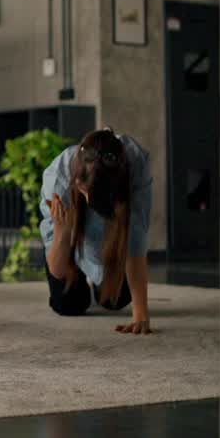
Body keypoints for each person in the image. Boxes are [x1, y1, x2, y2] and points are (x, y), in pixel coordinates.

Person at [38, 127, 154, 333]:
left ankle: (101, 283)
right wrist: (62, 231)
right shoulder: (59, 180)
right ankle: (80, 285)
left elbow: (136, 238)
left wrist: (141, 315)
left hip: (111, 240)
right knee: (69, 305)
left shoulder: (135, 166)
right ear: (78, 182)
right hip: (70, 241)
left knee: (115, 301)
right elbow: (57, 270)